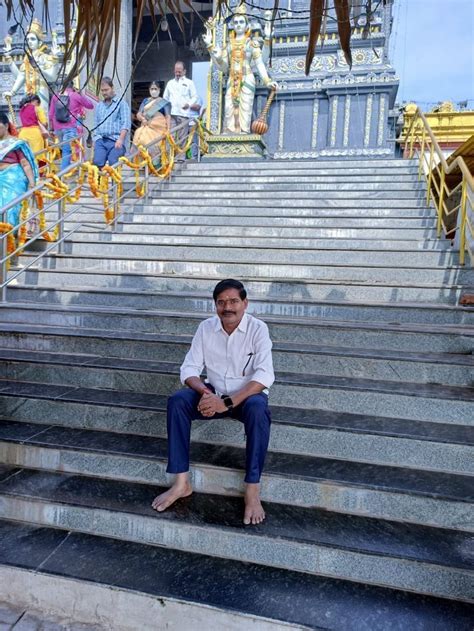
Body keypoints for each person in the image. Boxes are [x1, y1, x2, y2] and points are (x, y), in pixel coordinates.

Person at [152, 279, 274, 525]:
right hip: (213, 393)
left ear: (245, 303)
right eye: (221, 302)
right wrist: (206, 394)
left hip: (246, 397)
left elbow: (264, 376)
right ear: (215, 305)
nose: (227, 307)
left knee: (259, 410)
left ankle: (252, 489)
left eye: (233, 301)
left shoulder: (258, 329)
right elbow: (189, 368)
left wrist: (227, 402)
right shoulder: (205, 328)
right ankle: (181, 483)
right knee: (178, 401)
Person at [203, 5, 277, 134]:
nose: (238, 25)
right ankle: (230, 133)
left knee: (245, 106)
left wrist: (267, 81)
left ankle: (243, 132)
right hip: (232, 79)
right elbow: (224, 66)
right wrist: (211, 48)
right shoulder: (229, 45)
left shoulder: (251, 44)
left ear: (247, 26)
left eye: (241, 22)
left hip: (247, 78)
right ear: (232, 25)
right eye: (236, 22)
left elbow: (259, 63)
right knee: (229, 107)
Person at [0, 112, 38, 229]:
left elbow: (25, 164)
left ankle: (10, 237)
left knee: (11, 209)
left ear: (6, 126)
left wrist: (32, 184)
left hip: (14, 178)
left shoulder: (16, 143)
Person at [49, 82, 95, 171]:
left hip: (57, 127)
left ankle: (67, 168)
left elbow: (51, 114)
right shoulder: (75, 96)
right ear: (72, 86)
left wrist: (51, 128)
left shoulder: (56, 96)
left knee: (64, 149)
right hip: (70, 126)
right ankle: (64, 173)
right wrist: (81, 94)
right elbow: (90, 106)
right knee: (67, 150)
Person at [93, 77, 131, 168]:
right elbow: (96, 124)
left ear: (112, 88)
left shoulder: (121, 103)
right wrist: (96, 139)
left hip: (116, 140)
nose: (104, 93)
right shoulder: (99, 106)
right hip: (101, 140)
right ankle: (98, 182)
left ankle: (116, 182)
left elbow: (126, 123)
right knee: (97, 162)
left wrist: (121, 139)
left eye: (106, 90)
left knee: (113, 161)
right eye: (102, 91)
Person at [163, 62, 198, 161]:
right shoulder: (170, 83)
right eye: (176, 71)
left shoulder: (189, 82)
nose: (177, 73)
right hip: (172, 113)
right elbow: (165, 98)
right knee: (171, 135)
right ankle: (170, 157)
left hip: (184, 114)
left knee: (182, 136)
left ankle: (181, 157)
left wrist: (189, 104)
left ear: (184, 71)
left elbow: (195, 96)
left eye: (179, 71)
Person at [132, 80, 171, 161]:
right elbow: (139, 113)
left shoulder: (163, 102)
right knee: (140, 138)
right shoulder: (145, 101)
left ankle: (155, 164)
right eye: (152, 89)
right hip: (146, 126)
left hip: (158, 129)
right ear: (149, 90)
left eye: (155, 89)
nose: (153, 91)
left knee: (155, 146)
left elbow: (167, 116)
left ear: (159, 90)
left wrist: (168, 129)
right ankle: (143, 162)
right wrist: (142, 119)